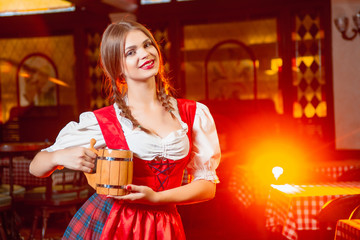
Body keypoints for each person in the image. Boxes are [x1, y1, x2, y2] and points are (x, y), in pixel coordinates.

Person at [29, 20, 221, 240]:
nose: (145, 54)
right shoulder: (102, 121)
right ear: (117, 67)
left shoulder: (193, 114)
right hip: (111, 224)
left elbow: (207, 187)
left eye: (148, 45)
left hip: (165, 226)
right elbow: (36, 168)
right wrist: (59, 156)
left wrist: (157, 199)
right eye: (131, 52)